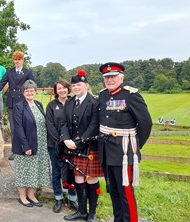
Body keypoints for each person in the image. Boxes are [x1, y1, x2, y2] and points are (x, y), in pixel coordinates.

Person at [98, 62, 152, 222]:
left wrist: (134, 146)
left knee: (126, 192)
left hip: (124, 153)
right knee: (113, 191)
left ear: (121, 78)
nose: (109, 80)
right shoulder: (102, 95)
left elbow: (146, 124)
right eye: (106, 77)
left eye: (113, 76)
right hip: (106, 152)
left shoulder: (131, 95)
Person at [60, 70, 102, 222]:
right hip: (72, 146)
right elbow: (63, 123)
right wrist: (65, 139)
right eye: (74, 85)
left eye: (79, 84)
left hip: (89, 146)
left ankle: (92, 213)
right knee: (78, 177)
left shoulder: (94, 102)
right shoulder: (70, 102)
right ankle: (82, 211)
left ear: (86, 85)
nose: (76, 87)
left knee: (90, 179)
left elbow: (94, 125)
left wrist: (78, 142)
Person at [0, 51, 35, 160]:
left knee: (26, 126)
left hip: (24, 103)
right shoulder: (9, 72)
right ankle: (15, 151)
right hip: (12, 103)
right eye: (15, 59)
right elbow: (0, 84)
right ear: (13, 60)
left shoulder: (28, 72)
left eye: (19, 59)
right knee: (14, 128)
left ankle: (27, 148)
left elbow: (32, 87)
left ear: (22, 60)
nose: (17, 61)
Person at [12, 80, 51, 208]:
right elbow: (18, 128)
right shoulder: (19, 106)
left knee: (36, 170)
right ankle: (22, 197)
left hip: (40, 144)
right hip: (26, 145)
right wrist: (26, 146)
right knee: (24, 171)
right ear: (23, 92)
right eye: (27, 90)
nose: (30, 92)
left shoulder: (39, 104)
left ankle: (32, 195)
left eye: (32, 90)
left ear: (35, 91)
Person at [45, 79, 78, 213]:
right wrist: (61, 141)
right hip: (55, 145)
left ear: (68, 89)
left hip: (72, 145)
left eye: (64, 88)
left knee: (72, 171)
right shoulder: (51, 105)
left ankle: (72, 199)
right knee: (56, 172)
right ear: (55, 91)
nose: (62, 90)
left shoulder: (74, 102)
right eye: (59, 88)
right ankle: (58, 198)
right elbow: (50, 125)